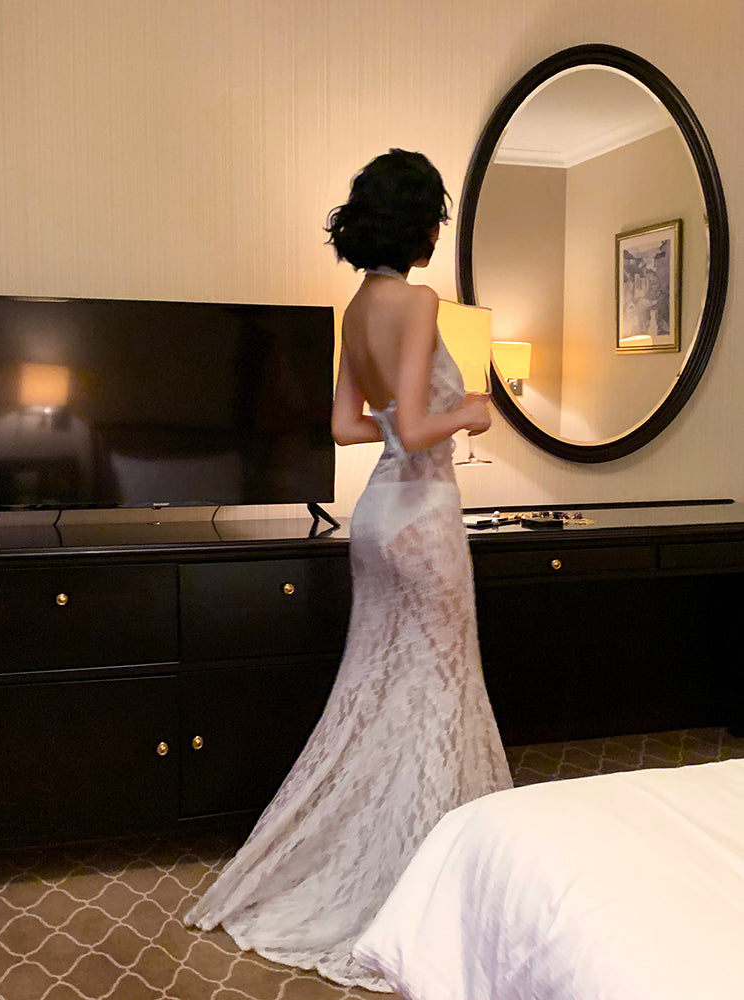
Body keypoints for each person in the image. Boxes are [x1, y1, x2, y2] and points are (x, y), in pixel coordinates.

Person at [184, 148, 512, 992]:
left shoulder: (358, 306)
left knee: (380, 689)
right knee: (440, 692)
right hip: (425, 517)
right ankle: (430, 886)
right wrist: (472, 410)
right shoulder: (420, 301)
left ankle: (385, 854)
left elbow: (345, 427)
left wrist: (417, 418)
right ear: (421, 224)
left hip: (376, 520)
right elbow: (417, 426)